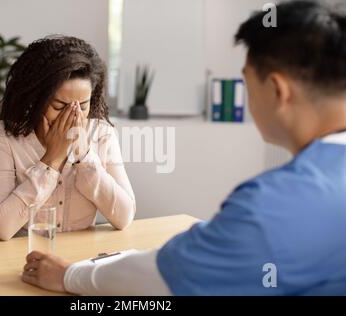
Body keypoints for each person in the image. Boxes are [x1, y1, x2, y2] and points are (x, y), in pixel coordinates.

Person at [22, 1, 346, 295]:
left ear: (277, 90)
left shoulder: (275, 203)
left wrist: (69, 275)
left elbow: (165, 278)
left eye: (246, 81)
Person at [0, 35, 136, 241]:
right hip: (21, 255)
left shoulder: (102, 134)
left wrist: (85, 157)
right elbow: (2, 227)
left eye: (83, 106)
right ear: (34, 99)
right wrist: (51, 160)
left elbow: (124, 217)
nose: (73, 117)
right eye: (59, 106)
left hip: (79, 260)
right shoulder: (3, 136)